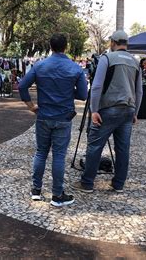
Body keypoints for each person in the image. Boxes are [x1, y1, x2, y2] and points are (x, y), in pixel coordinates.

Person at [19, 33, 88, 207]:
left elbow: (22, 86)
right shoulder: (76, 68)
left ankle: (36, 190)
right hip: (63, 117)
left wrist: (31, 106)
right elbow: (82, 94)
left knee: (41, 152)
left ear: (50, 47)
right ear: (66, 47)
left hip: (43, 115)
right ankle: (57, 195)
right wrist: (66, 91)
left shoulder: (39, 66)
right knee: (58, 155)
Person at [71, 30, 142, 193]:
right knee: (123, 148)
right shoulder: (135, 62)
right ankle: (118, 184)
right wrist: (135, 112)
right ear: (126, 43)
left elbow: (96, 86)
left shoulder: (107, 58)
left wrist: (94, 109)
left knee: (95, 145)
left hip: (108, 108)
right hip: (128, 109)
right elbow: (139, 91)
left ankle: (87, 183)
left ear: (113, 42)